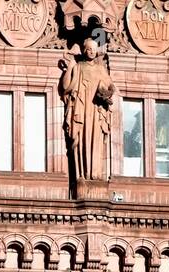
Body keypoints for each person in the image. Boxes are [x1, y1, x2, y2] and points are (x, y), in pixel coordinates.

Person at [59, 36, 117, 183]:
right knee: (82, 139)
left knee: (96, 141)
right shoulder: (78, 67)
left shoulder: (100, 69)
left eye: (94, 49)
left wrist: (107, 93)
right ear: (84, 51)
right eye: (89, 49)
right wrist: (70, 67)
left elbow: (111, 86)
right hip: (82, 110)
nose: (91, 52)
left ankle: (95, 174)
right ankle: (83, 175)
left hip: (96, 110)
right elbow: (66, 87)